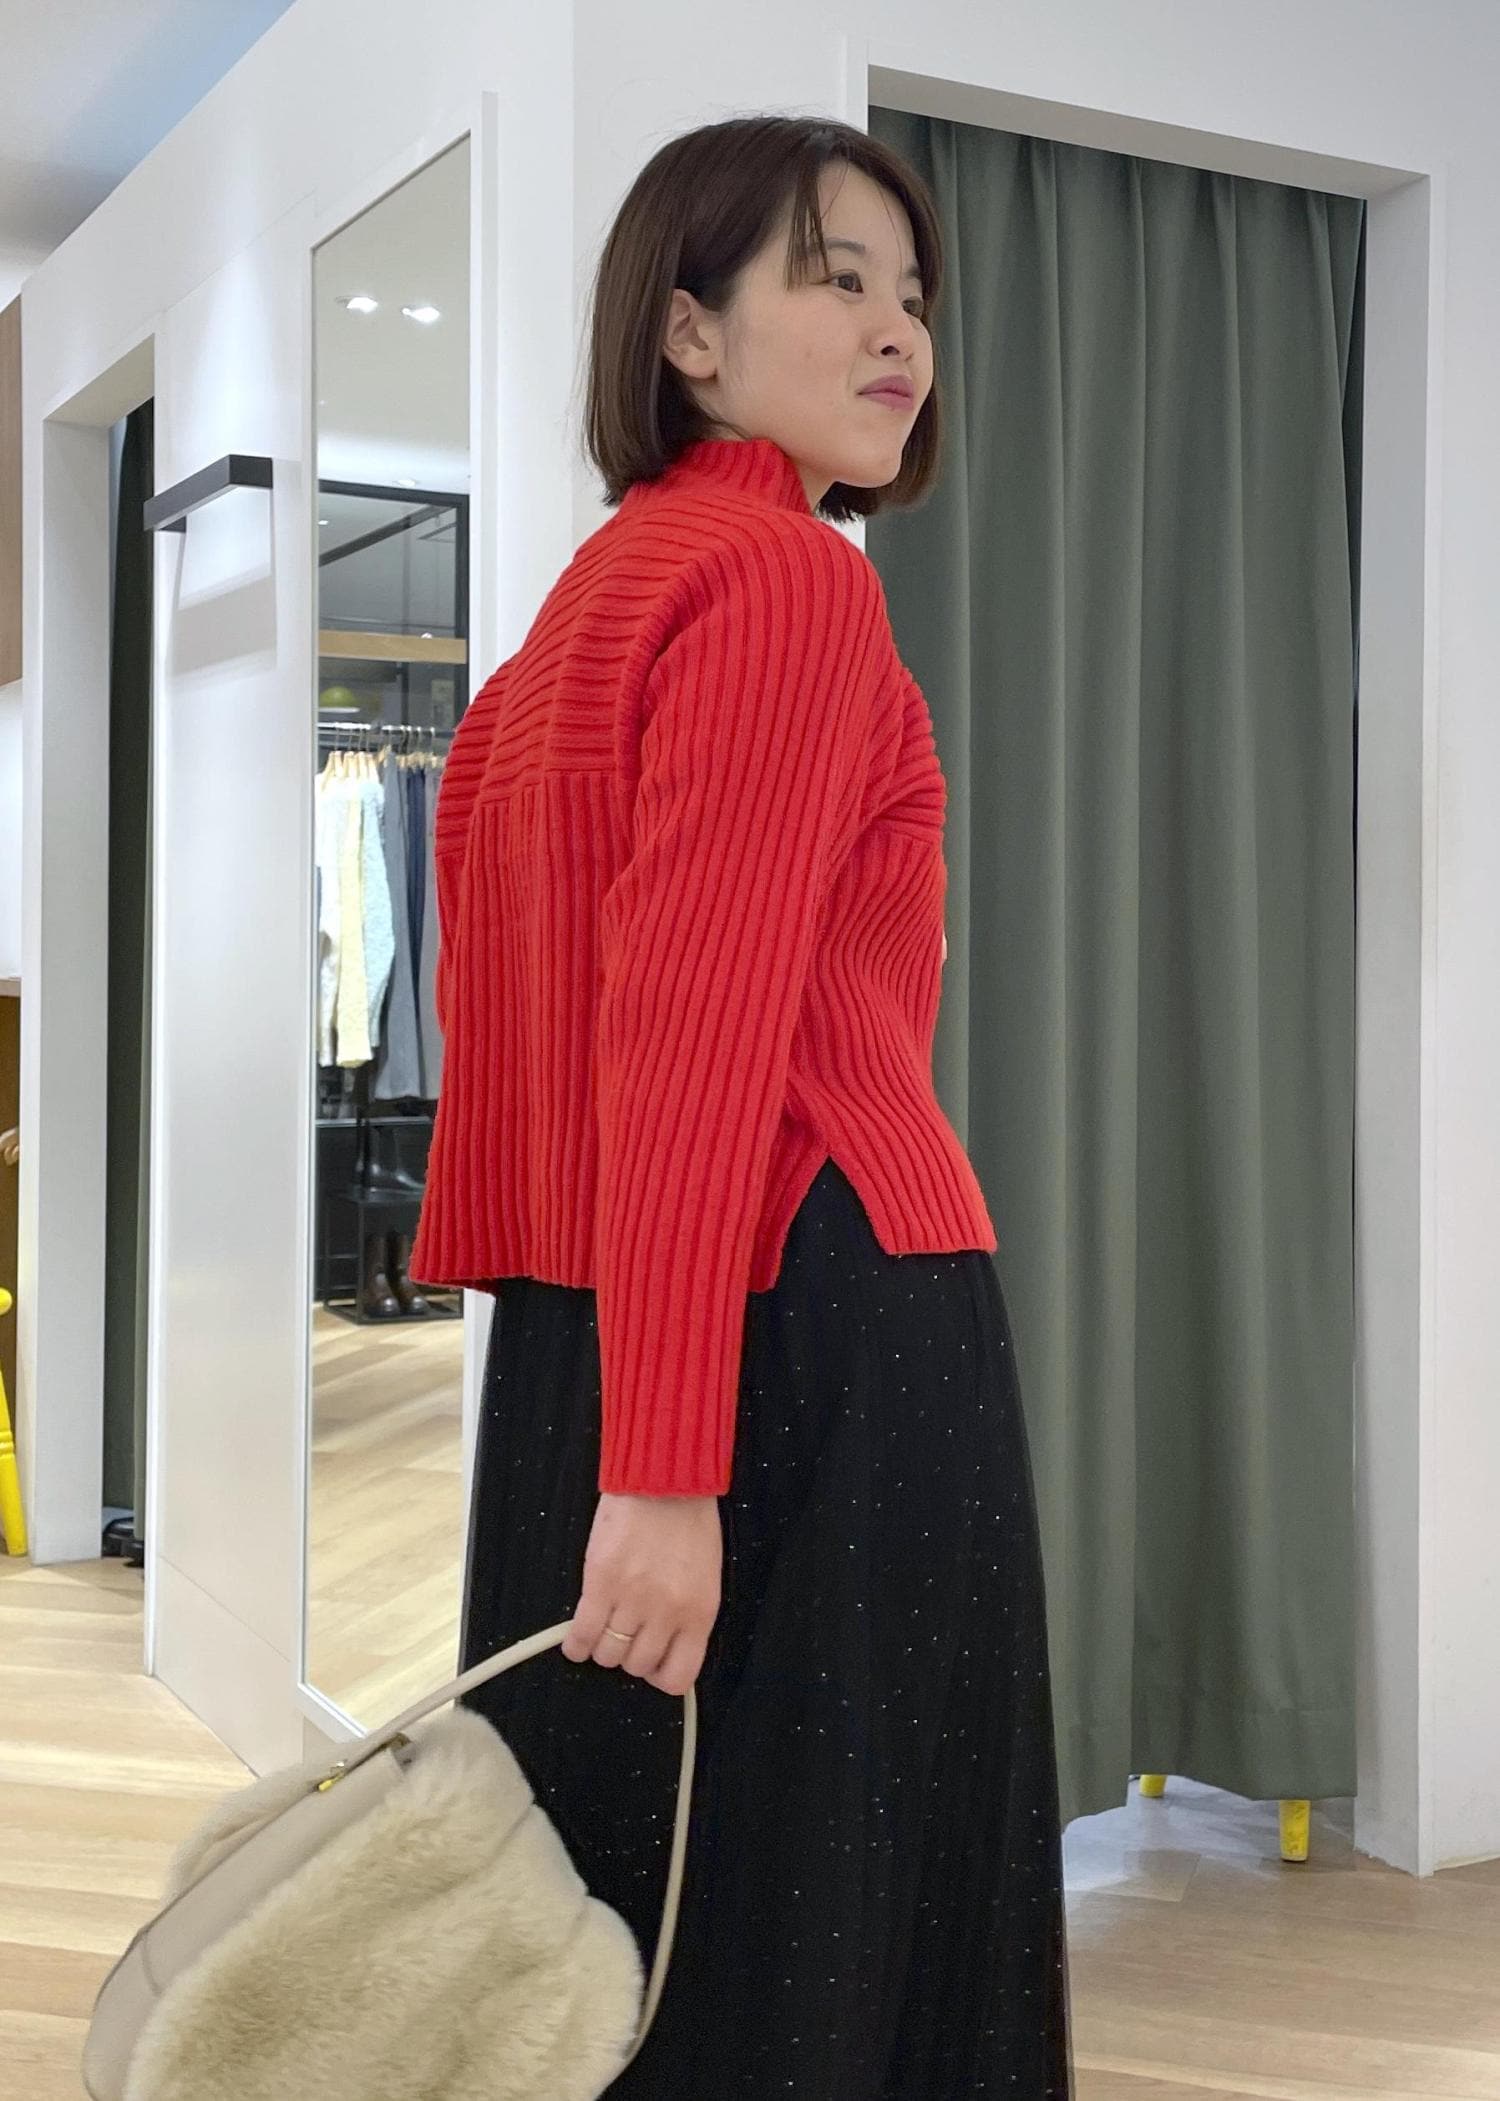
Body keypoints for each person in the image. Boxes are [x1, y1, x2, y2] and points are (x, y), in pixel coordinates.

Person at [408, 111, 1075, 2097]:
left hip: (615, 1338)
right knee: (821, 1925)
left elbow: (561, 1062)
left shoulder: (573, 618)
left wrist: (620, 1418)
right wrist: (666, 1464)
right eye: (834, 278)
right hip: (800, 1327)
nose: (899, 332)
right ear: (686, 331)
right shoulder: (785, 581)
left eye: (912, 293)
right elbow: (691, 1039)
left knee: (611, 1921)